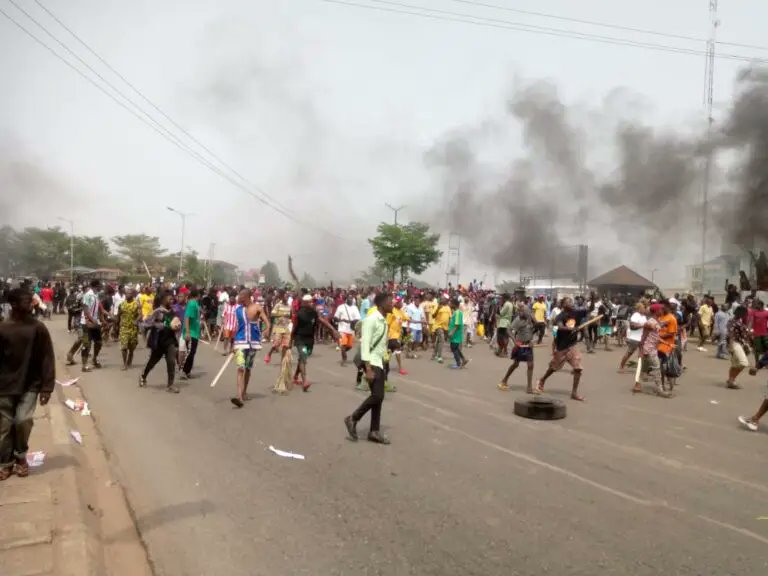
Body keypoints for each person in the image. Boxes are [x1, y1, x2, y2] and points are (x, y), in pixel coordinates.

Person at [0, 288, 55, 481]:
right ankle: (5, 463)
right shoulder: (3, 328)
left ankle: (20, 457)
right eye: (26, 301)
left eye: (31, 300)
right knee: (4, 426)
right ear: (14, 305)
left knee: (23, 421)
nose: (32, 304)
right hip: (4, 386)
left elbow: (47, 358)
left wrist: (47, 387)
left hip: (30, 384)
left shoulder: (38, 328)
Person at [344, 292, 393, 445]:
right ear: (382, 304)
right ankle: (353, 418)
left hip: (379, 361)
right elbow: (365, 343)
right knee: (377, 396)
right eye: (390, 302)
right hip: (371, 362)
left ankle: (374, 431)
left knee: (379, 398)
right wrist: (368, 368)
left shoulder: (383, 320)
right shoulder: (372, 320)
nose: (392, 304)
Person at [535, 297, 585, 401]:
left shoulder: (575, 313)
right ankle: (542, 380)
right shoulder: (559, 316)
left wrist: (593, 300)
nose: (572, 303)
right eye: (569, 302)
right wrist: (570, 329)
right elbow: (559, 327)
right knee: (553, 368)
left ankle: (574, 393)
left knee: (578, 368)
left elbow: (589, 309)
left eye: (572, 301)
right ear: (563, 305)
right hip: (562, 345)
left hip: (572, 345)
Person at [291, 294, 339, 392]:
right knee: (303, 356)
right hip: (300, 339)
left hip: (310, 340)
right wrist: (290, 340)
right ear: (304, 303)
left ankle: (296, 376)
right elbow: (294, 328)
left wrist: (333, 330)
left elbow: (322, 321)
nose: (311, 303)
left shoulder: (313, 313)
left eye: (312, 301)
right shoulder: (299, 314)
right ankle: (305, 381)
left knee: (303, 358)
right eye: (309, 301)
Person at [231, 290, 270, 408]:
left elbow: (267, 323)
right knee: (240, 368)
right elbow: (236, 327)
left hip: (253, 343)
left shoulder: (257, 308)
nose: (238, 298)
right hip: (240, 342)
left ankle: (244, 392)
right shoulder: (237, 310)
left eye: (241, 296)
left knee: (247, 368)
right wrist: (233, 344)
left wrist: (266, 330)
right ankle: (239, 397)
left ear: (247, 297)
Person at [139, 290, 181, 393]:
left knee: (171, 362)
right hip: (159, 341)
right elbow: (146, 324)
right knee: (152, 361)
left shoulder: (173, 311)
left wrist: (177, 327)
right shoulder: (157, 311)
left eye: (172, 298)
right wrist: (157, 325)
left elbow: (176, 323)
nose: (172, 300)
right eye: (169, 298)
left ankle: (170, 385)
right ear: (163, 299)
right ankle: (143, 376)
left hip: (170, 340)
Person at [634, 303, 672, 398]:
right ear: (656, 311)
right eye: (661, 310)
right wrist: (641, 349)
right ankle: (660, 390)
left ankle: (638, 383)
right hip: (648, 349)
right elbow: (646, 333)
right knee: (656, 368)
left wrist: (667, 343)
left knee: (644, 369)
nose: (662, 311)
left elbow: (656, 337)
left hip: (651, 348)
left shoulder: (656, 321)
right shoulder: (650, 322)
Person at [499, 302, 534, 393]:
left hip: (528, 345)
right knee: (515, 364)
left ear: (527, 311)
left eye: (522, 311)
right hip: (520, 344)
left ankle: (529, 387)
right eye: (519, 311)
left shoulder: (530, 319)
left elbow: (532, 331)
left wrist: (532, 341)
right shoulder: (518, 320)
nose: (520, 313)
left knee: (530, 365)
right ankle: (504, 379)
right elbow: (508, 330)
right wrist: (515, 341)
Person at [80, 279, 104, 372]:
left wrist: (101, 320)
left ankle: (94, 359)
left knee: (98, 343)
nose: (101, 287)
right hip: (86, 324)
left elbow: (97, 309)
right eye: (100, 285)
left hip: (94, 323)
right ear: (96, 286)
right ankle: (84, 365)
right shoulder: (87, 295)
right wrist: (93, 321)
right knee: (86, 344)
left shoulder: (96, 295)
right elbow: (86, 310)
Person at [726, 306, 752, 390]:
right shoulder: (733, 322)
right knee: (743, 362)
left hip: (739, 343)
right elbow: (731, 335)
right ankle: (732, 379)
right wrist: (731, 347)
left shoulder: (738, 321)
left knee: (735, 363)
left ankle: (731, 380)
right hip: (734, 343)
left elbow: (744, 333)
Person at [265, 290, 292, 364]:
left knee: (286, 345)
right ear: (282, 298)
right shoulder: (278, 305)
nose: (286, 299)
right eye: (285, 297)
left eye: (287, 297)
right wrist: (281, 315)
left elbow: (291, 316)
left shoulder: (289, 306)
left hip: (286, 328)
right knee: (276, 344)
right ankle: (269, 353)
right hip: (278, 327)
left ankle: (283, 360)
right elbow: (272, 314)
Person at [658, 302, 679, 391]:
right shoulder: (660, 317)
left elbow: (671, 333)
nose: (661, 310)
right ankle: (662, 384)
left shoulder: (672, 318)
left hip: (667, 346)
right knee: (660, 367)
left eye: (663, 308)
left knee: (664, 367)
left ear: (667, 308)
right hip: (658, 345)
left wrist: (659, 336)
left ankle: (667, 382)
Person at [116, 287, 140, 370]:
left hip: (133, 329)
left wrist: (136, 320)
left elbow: (141, 315)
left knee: (131, 347)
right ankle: (124, 364)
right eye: (126, 293)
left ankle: (131, 355)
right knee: (124, 347)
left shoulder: (136, 304)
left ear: (133, 295)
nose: (127, 295)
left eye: (129, 293)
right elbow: (118, 315)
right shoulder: (121, 304)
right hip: (123, 328)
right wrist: (115, 326)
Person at [334, 293, 360, 366]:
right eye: (349, 298)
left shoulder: (355, 308)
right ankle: (344, 359)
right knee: (343, 344)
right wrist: (341, 319)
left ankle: (342, 350)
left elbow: (358, 318)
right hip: (342, 329)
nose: (351, 300)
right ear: (346, 299)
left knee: (349, 346)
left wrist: (353, 322)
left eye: (352, 298)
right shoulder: (341, 307)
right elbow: (335, 317)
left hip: (351, 329)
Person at [181, 290, 201, 380]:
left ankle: (188, 371)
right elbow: (187, 317)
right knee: (190, 352)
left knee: (192, 352)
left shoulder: (195, 304)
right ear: (198, 295)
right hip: (191, 332)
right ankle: (184, 371)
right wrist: (188, 332)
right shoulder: (192, 304)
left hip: (195, 332)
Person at [387, 298, 409, 376]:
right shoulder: (391, 311)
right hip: (391, 335)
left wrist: (420, 321)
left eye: (401, 302)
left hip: (397, 334)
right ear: (395, 303)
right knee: (397, 348)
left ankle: (384, 366)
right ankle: (400, 368)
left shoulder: (401, 312)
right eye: (399, 302)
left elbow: (407, 318)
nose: (401, 304)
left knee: (389, 351)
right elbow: (388, 324)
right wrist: (386, 335)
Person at [447, 297, 468, 369]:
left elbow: (456, 325)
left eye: (450, 303)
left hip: (456, 334)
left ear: (454, 304)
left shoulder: (458, 313)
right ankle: (463, 359)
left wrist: (451, 333)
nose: (449, 304)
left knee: (453, 348)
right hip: (455, 334)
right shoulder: (456, 312)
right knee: (456, 348)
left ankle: (458, 363)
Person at [748, 299, 768, 365]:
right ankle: (757, 362)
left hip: (765, 333)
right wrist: (749, 329)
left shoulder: (766, 312)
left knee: (766, 349)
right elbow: (751, 321)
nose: (756, 306)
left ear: (761, 305)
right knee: (757, 349)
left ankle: (765, 362)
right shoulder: (754, 312)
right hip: (757, 334)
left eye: (757, 304)